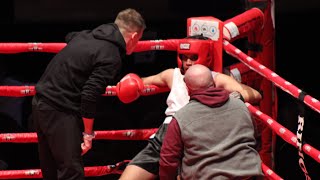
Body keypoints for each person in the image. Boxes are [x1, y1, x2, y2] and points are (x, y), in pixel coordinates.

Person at [119, 35, 262, 180]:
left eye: (193, 57)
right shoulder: (172, 75)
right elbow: (142, 81)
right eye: (184, 57)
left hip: (198, 136)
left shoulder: (213, 78)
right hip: (166, 134)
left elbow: (254, 94)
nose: (188, 62)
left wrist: (228, 100)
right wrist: (129, 83)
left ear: (205, 57)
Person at [31, 8, 146, 180]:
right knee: (72, 172)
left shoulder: (86, 35)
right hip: (60, 108)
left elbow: (69, 36)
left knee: (52, 171)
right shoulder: (111, 56)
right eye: (139, 39)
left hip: (39, 103)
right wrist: (88, 133)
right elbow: (90, 95)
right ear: (134, 36)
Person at [159, 64, 264, 179]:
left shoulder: (181, 118)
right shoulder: (240, 105)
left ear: (188, 89)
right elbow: (256, 141)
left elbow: (168, 162)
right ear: (213, 83)